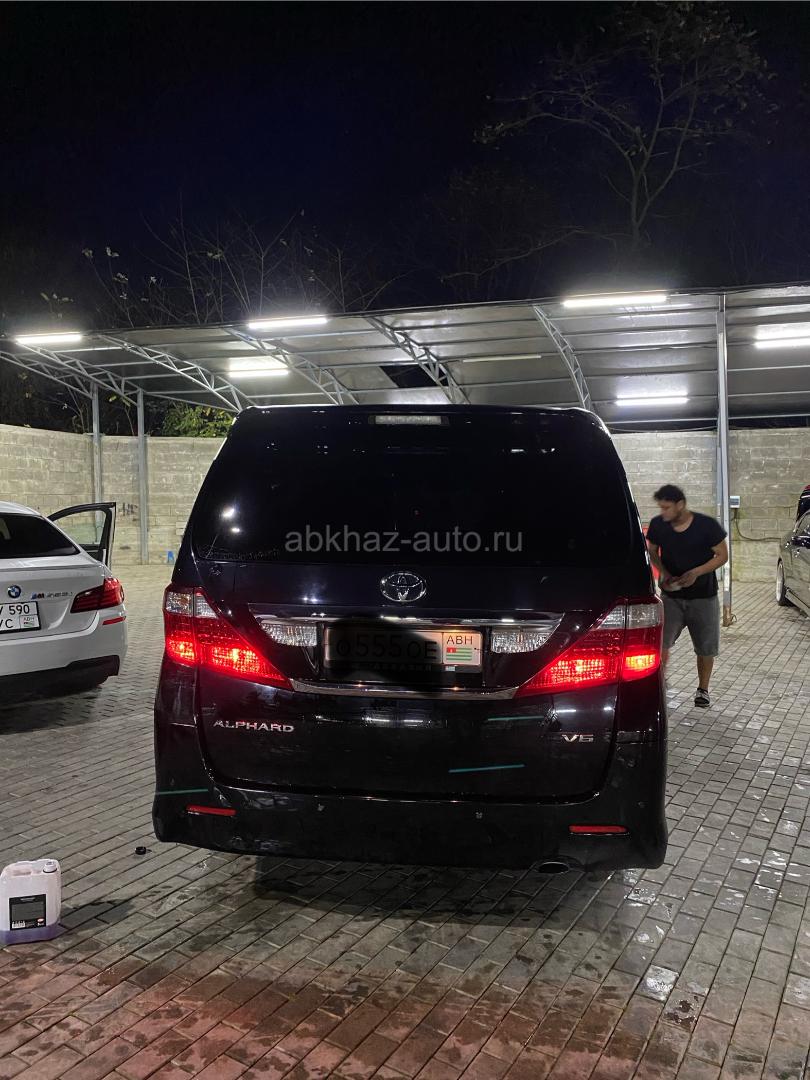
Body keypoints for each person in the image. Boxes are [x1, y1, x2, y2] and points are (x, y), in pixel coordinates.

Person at [646, 484, 729, 709]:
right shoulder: (658, 525)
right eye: (661, 508)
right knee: (661, 643)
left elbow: (722, 555)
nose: (663, 512)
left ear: (680, 505)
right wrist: (664, 572)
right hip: (671, 597)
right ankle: (659, 684)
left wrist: (696, 573)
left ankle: (703, 689)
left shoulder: (706, 525)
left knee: (705, 647)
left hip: (703, 597)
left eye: (667, 508)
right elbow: (651, 550)